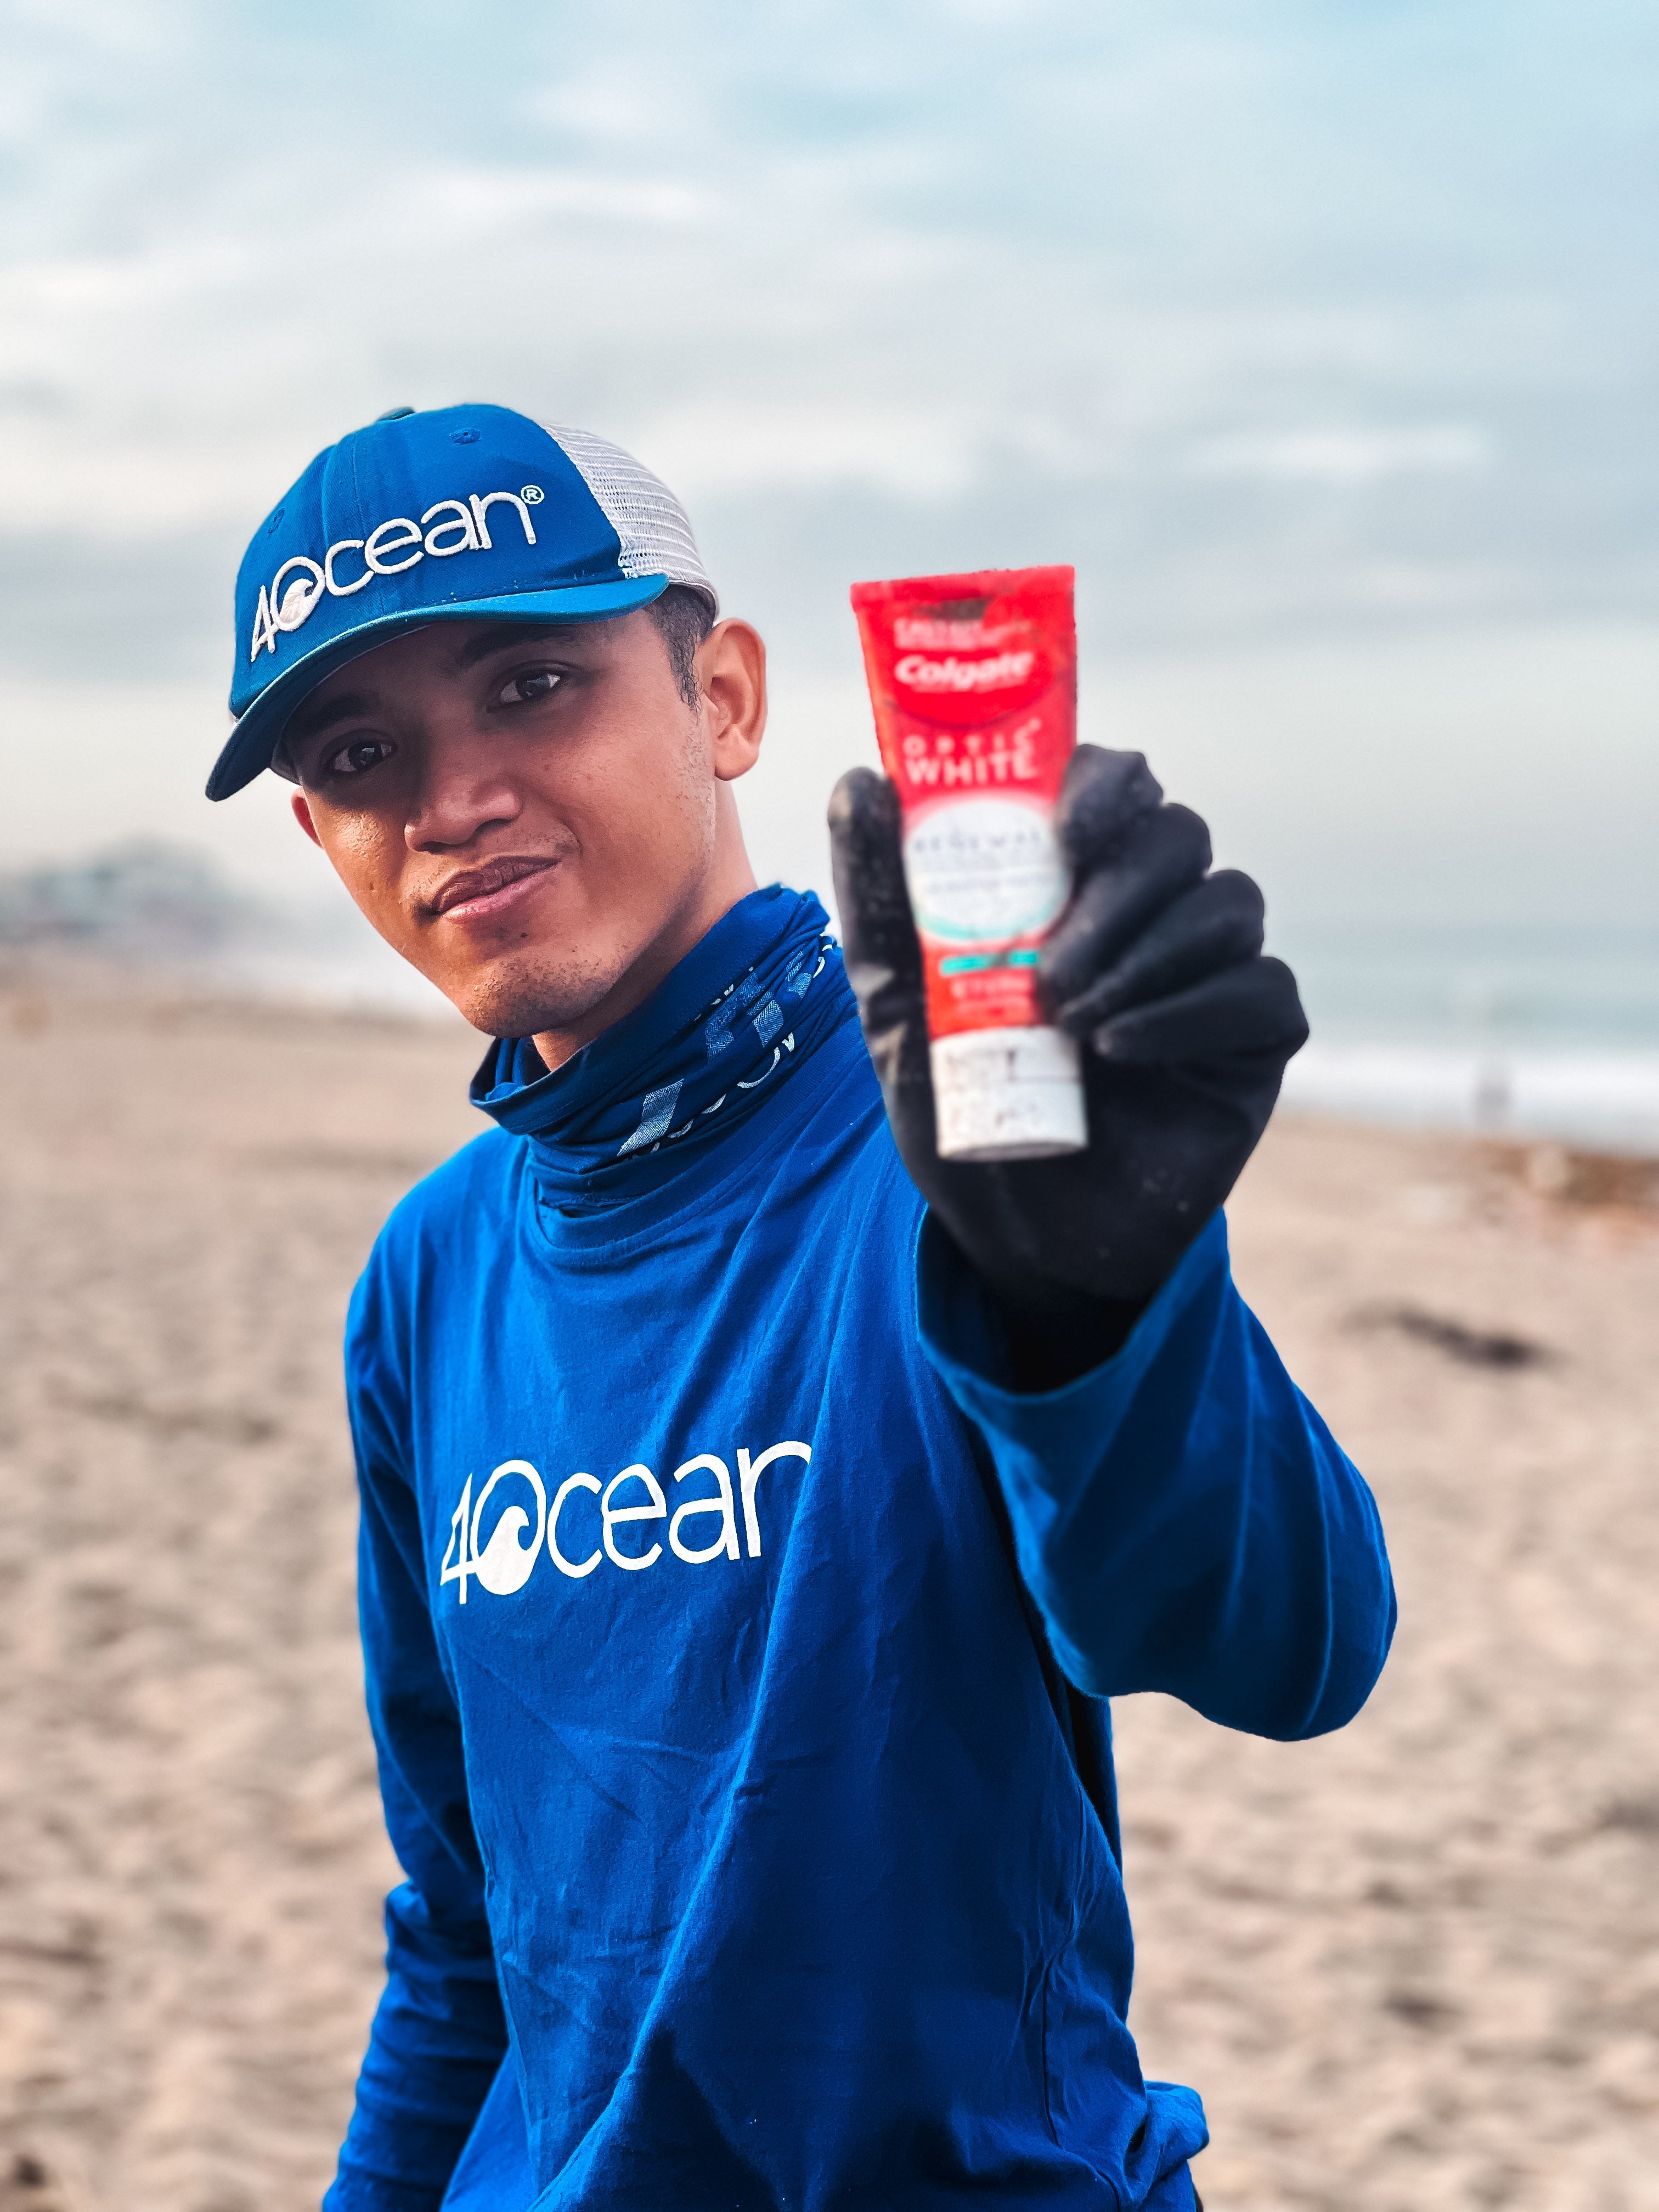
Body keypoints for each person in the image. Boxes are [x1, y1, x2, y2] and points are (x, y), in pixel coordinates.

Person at [209, 402, 1395, 2212]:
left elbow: (1294, 1648)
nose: (450, 802)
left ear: (726, 699)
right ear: (320, 832)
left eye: (531, 685)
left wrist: (1100, 1299)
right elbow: (463, 1925)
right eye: (365, 753)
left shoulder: (970, 1143)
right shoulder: (428, 1273)